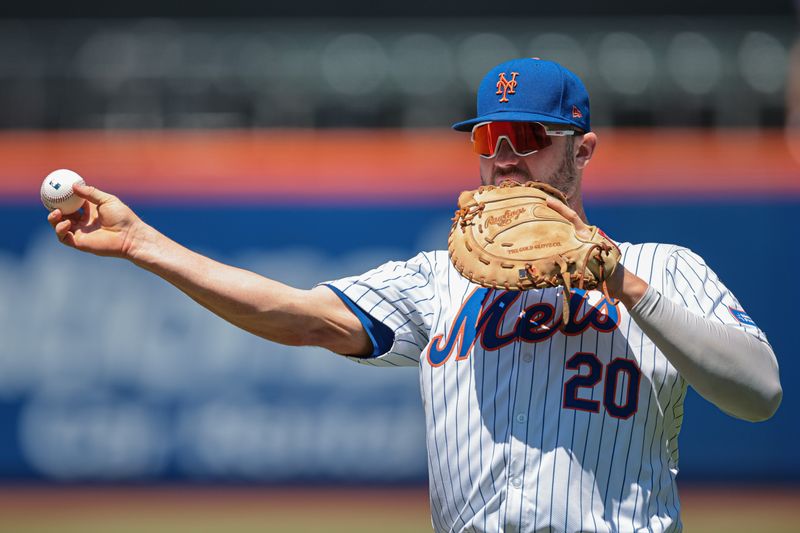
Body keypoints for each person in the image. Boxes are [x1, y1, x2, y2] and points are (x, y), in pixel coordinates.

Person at [47, 58, 781, 533]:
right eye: (487, 136)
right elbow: (300, 316)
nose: (502, 157)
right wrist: (145, 243)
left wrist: (619, 280)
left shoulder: (662, 265)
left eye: (526, 135)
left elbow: (759, 393)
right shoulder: (442, 276)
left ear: (581, 149)